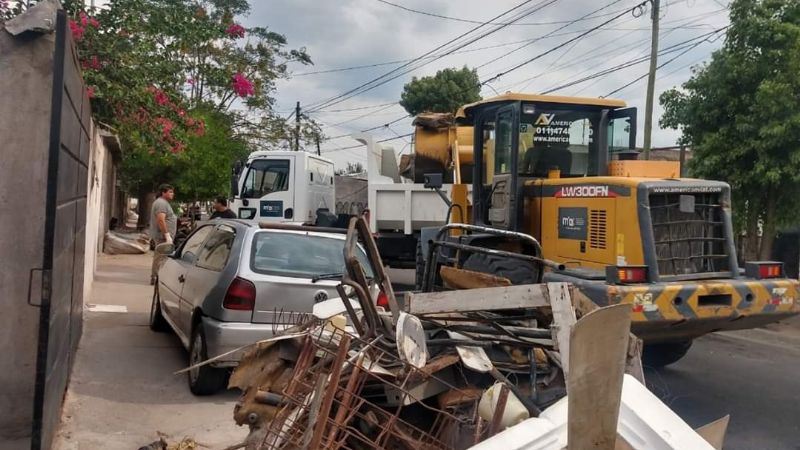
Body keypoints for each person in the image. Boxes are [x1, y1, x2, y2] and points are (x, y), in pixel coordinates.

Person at [149, 184, 177, 285]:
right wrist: (167, 235)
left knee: (162, 257)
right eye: (170, 192)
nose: (172, 194)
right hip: (162, 236)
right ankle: (156, 277)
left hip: (163, 236)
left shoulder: (163, 202)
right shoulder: (161, 203)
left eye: (172, 192)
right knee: (161, 257)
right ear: (163, 193)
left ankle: (157, 277)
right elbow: (161, 220)